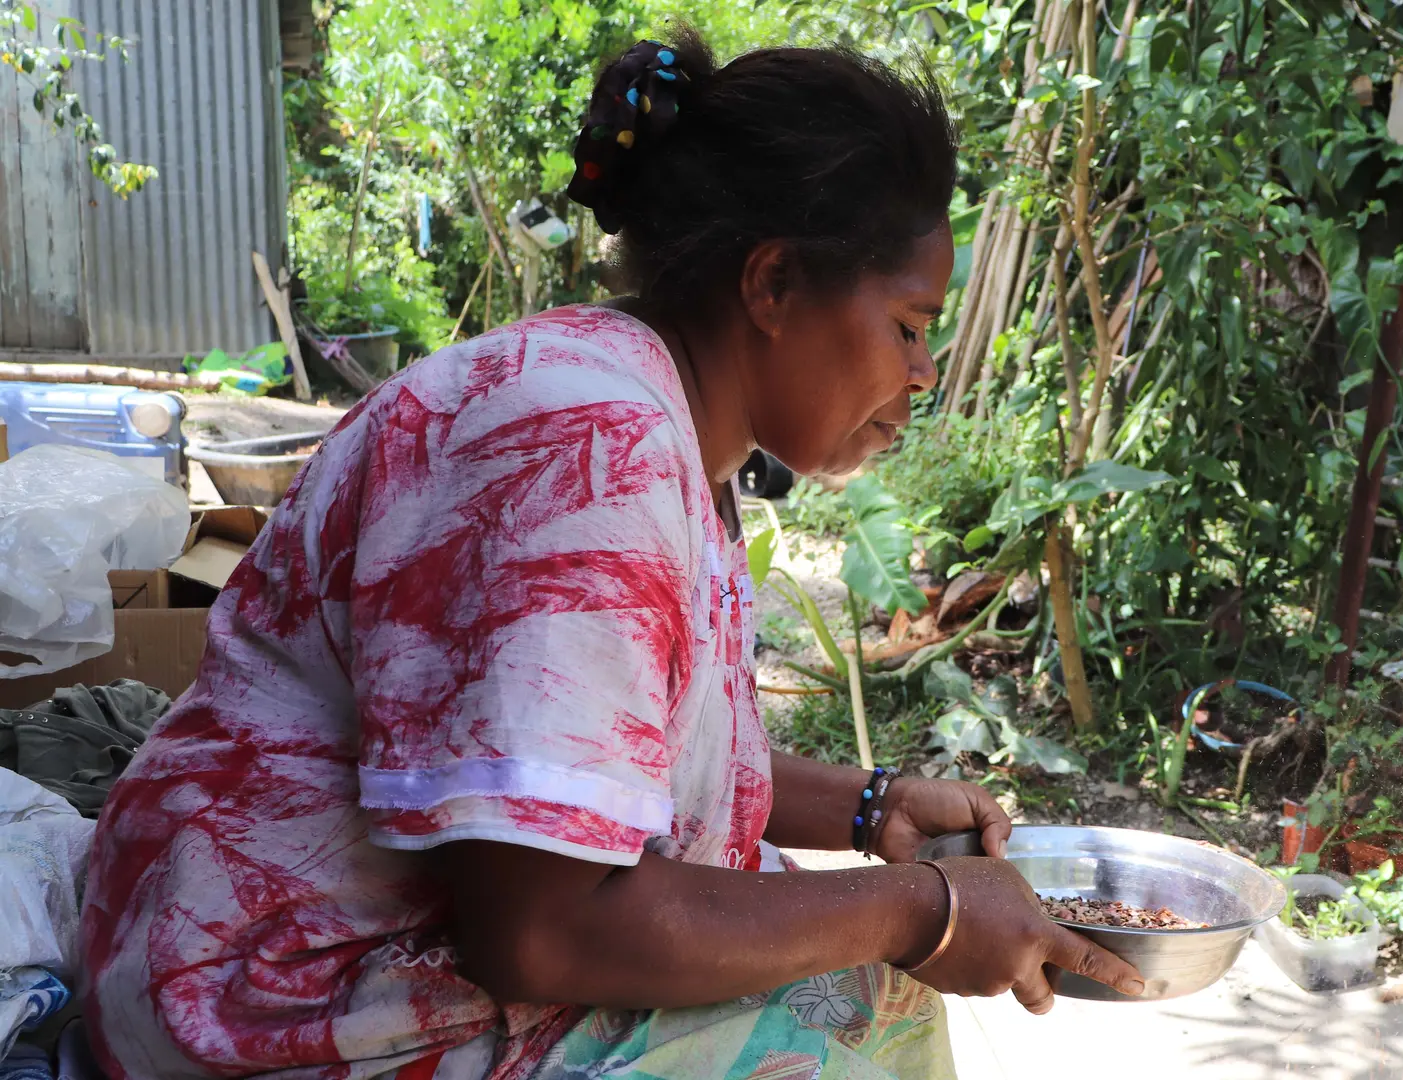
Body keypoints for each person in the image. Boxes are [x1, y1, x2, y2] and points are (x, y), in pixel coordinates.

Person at [80, 29, 1143, 1080]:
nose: (921, 373)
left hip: (292, 949)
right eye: (910, 325)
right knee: (853, 1004)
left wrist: (873, 809)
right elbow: (540, 931)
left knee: (867, 975)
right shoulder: (592, 451)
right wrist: (926, 909)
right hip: (258, 996)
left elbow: (592, 763)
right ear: (772, 286)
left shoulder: (658, 427)